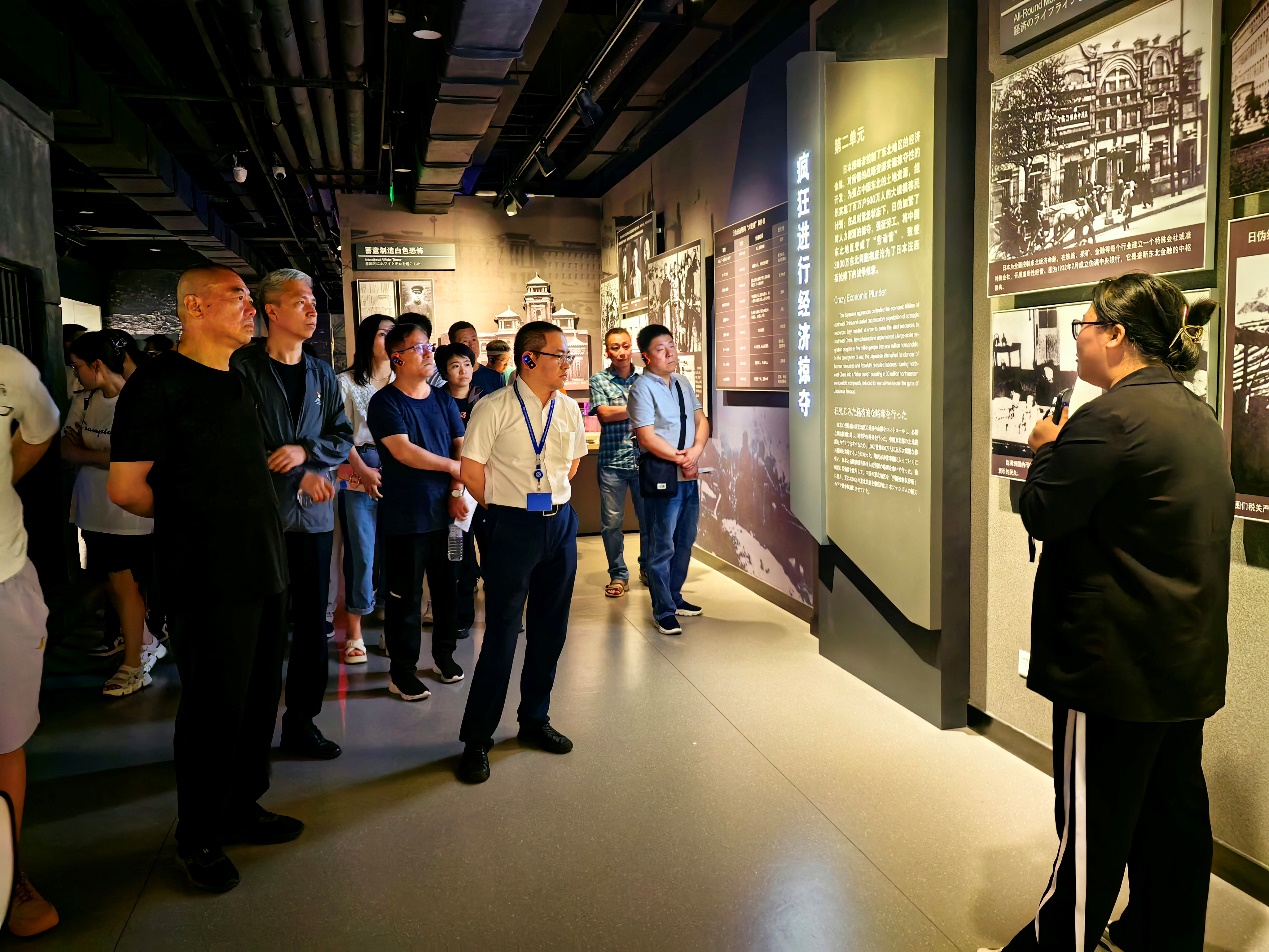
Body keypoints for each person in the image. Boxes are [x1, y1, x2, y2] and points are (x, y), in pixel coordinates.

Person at [981, 273, 1231, 952]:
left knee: (1091, 828)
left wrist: (1042, 449)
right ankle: (1157, 936)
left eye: (1083, 326)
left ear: (1116, 334)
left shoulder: (1109, 418)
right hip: (1180, 660)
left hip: (1112, 667)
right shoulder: (1196, 414)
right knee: (1171, 816)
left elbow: (1044, 512)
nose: (1076, 340)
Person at [109, 264, 302, 893]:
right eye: (237, 296)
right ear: (194, 306)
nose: (250, 307)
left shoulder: (238, 378)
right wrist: (201, 515)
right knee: (213, 708)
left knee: (257, 699)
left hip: (262, 566)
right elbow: (127, 489)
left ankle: (242, 804)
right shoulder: (158, 383)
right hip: (206, 574)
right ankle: (197, 833)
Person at [455, 321, 588, 784]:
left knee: (551, 630)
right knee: (502, 634)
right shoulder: (493, 408)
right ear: (529, 359)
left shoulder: (568, 408)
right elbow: (471, 471)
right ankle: (477, 739)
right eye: (559, 355)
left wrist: (548, 501)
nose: (567, 363)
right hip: (512, 526)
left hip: (560, 524)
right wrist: (504, 508)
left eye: (567, 355)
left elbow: (572, 464)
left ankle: (534, 719)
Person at [231, 269, 352, 760]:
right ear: (272, 311)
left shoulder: (321, 373)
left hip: (314, 521)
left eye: (314, 302)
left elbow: (341, 436)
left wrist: (306, 452)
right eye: (301, 301)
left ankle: (302, 722)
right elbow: (238, 443)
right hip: (262, 520)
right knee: (263, 629)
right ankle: (251, 732)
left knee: (312, 627)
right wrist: (297, 470)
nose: (312, 310)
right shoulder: (242, 367)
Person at [367, 322, 468, 700]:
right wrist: (453, 468)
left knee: (448, 589)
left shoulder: (443, 400)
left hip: (449, 516)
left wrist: (456, 487)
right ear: (397, 358)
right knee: (405, 597)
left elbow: (460, 445)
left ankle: (444, 656)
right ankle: (402, 671)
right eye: (420, 348)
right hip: (406, 517)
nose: (429, 354)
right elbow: (404, 451)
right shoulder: (385, 402)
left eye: (429, 347)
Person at [64, 331, 165, 697]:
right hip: (92, 508)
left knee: (127, 584)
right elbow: (67, 449)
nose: (75, 375)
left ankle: (135, 662)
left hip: (128, 511)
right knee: (111, 581)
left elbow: (145, 456)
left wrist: (91, 455)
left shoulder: (137, 400)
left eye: (77, 367)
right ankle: (145, 641)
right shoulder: (85, 400)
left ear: (97, 365)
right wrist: (111, 458)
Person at [0, 344, 61, 937]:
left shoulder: (8, 368)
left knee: (6, 737)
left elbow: (40, 432)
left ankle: (7, 872)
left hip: (4, 574)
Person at [628, 323, 709, 636]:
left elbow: (702, 421)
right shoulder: (642, 388)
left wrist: (695, 453)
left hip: (687, 476)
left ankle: (675, 597)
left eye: (672, 346)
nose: (670, 353)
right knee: (662, 545)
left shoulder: (682, 382)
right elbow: (646, 437)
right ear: (646, 357)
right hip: (663, 477)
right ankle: (662, 609)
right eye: (661, 349)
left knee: (684, 540)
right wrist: (682, 459)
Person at [335, 314, 395, 665]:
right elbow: (340, 433)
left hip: (399, 467)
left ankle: (389, 626)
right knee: (361, 550)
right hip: (360, 467)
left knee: (394, 549)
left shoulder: (404, 379)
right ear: (367, 338)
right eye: (383, 333)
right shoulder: (346, 382)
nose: (390, 339)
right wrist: (362, 470)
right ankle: (354, 631)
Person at [589, 327, 648, 597]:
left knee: (649, 521)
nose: (622, 352)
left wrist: (622, 411)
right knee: (612, 524)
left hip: (644, 461)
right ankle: (618, 574)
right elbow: (604, 414)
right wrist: (638, 408)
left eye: (625, 346)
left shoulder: (646, 378)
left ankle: (647, 569)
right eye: (615, 347)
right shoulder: (599, 380)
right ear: (607, 352)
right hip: (612, 462)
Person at [437, 341, 485, 639]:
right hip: (452, 486)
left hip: (484, 485)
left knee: (492, 549)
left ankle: (503, 613)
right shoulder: (437, 402)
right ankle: (461, 616)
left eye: (467, 364)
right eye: (455, 365)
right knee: (459, 553)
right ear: (444, 372)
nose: (463, 371)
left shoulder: (486, 400)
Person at [447, 321, 506, 395]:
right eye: (465, 341)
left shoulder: (494, 377)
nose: (472, 345)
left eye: (474, 340)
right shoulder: (450, 379)